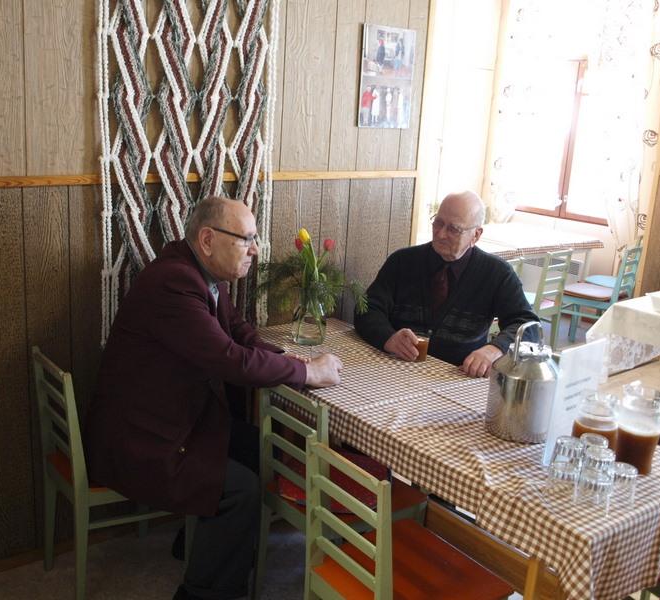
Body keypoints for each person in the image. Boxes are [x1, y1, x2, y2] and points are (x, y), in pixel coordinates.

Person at [86, 196, 343, 600]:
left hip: (170, 420)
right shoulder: (173, 283)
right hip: (142, 438)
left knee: (261, 449)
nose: (255, 250)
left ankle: (202, 544)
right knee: (240, 489)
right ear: (207, 240)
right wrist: (309, 373)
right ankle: (202, 592)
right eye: (247, 239)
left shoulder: (199, 271)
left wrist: (285, 359)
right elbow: (230, 360)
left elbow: (237, 331)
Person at [354, 191, 538, 378]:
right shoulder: (403, 261)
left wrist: (494, 349)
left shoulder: (496, 273)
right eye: (438, 223)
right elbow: (366, 309)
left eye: (453, 229)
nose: (441, 234)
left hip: (459, 376)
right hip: (395, 367)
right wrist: (388, 338)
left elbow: (528, 326)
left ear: (476, 235)